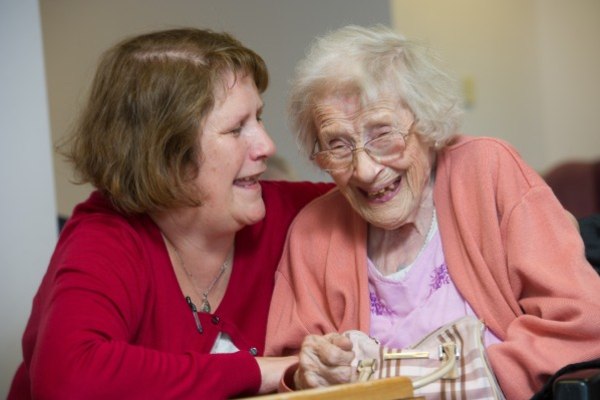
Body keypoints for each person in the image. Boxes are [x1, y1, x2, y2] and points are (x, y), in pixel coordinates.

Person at [264, 25, 600, 399]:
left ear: (426, 123)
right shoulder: (313, 232)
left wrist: (465, 380)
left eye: (382, 134)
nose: (364, 170)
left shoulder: (488, 171)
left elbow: (583, 323)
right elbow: (288, 370)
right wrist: (304, 374)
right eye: (337, 145)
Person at [8, 28, 332, 399]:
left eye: (258, 118)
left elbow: (385, 197)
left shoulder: (288, 212)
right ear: (165, 156)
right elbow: (68, 379)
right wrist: (263, 371)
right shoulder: (107, 237)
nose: (267, 145)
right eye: (235, 128)